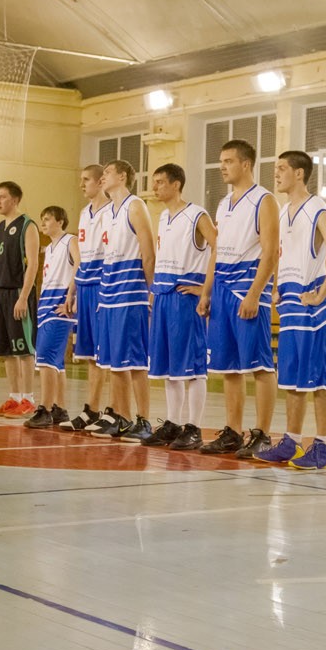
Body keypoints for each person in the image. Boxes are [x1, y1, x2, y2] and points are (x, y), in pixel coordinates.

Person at [254, 151, 326, 470]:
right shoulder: (283, 212)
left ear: (299, 173)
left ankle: (323, 447)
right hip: (291, 303)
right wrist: (277, 286)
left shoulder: (316, 207)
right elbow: (278, 255)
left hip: (313, 306)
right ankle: (291, 440)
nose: (276, 174)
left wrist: (322, 293)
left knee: (320, 380)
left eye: (282, 168)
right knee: (292, 379)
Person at [200, 140, 280, 457]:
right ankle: (233, 431)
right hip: (221, 289)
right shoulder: (223, 203)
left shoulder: (264, 200)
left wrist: (255, 293)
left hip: (246, 289)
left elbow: (271, 252)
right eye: (221, 161)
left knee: (259, 366)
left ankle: (262, 433)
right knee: (228, 367)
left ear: (246, 164)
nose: (222, 166)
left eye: (229, 161)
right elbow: (217, 251)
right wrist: (207, 292)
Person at [141, 163, 215, 451]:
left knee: (193, 367)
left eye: (160, 182)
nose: (155, 187)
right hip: (163, 294)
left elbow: (219, 248)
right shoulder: (163, 217)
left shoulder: (197, 215)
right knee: (170, 367)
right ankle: (173, 422)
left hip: (186, 298)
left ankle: (194, 427)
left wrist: (205, 288)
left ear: (176, 184)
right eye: (154, 181)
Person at [87, 160, 156, 442]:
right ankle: (122, 416)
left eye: (107, 173)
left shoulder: (135, 206)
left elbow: (148, 253)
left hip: (131, 294)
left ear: (123, 176)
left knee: (135, 361)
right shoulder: (107, 213)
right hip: (109, 294)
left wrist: (151, 292)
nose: (102, 177)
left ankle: (144, 420)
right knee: (114, 362)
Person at [60, 165, 112, 432]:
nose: (81, 184)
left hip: (105, 284)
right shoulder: (84, 213)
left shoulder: (112, 211)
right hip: (85, 285)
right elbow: (80, 257)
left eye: (86, 180)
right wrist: (73, 289)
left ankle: (114, 411)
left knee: (107, 354)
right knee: (91, 354)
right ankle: (91, 409)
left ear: (101, 181)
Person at [0, 181, 40, 418]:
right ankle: (14, 397)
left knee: (24, 349)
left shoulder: (28, 225)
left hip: (18, 293)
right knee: (7, 349)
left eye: (3, 197)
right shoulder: (0, 227)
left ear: (15, 200)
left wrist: (23, 297)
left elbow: (33, 264)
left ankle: (28, 399)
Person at [26, 206, 77, 428]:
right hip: (46, 303)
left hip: (60, 304)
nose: (43, 223)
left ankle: (44, 409)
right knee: (56, 363)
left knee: (46, 358)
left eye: (47, 219)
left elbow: (80, 266)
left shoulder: (70, 241)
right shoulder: (48, 248)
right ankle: (59, 408)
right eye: (42, 219)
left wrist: (72, 297)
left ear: (60, 221)